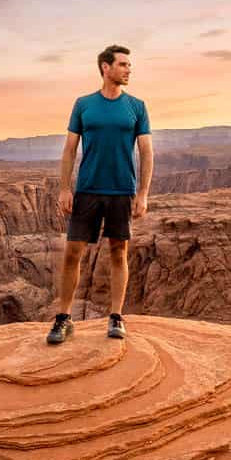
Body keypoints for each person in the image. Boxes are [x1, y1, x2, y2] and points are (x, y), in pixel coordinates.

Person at [46, 45, 153, 344]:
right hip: (88, 190)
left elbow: (146, 151)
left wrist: (143, 193)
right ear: (105, 68)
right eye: (123, 65)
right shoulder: (83, 104)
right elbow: (69, 149)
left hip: (121, 191)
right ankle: (63, 319)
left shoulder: (137, 106)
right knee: (72, 253)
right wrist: (65, 188)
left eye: (129, 65)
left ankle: (116, 317)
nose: (128, 70)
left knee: (119, 252)